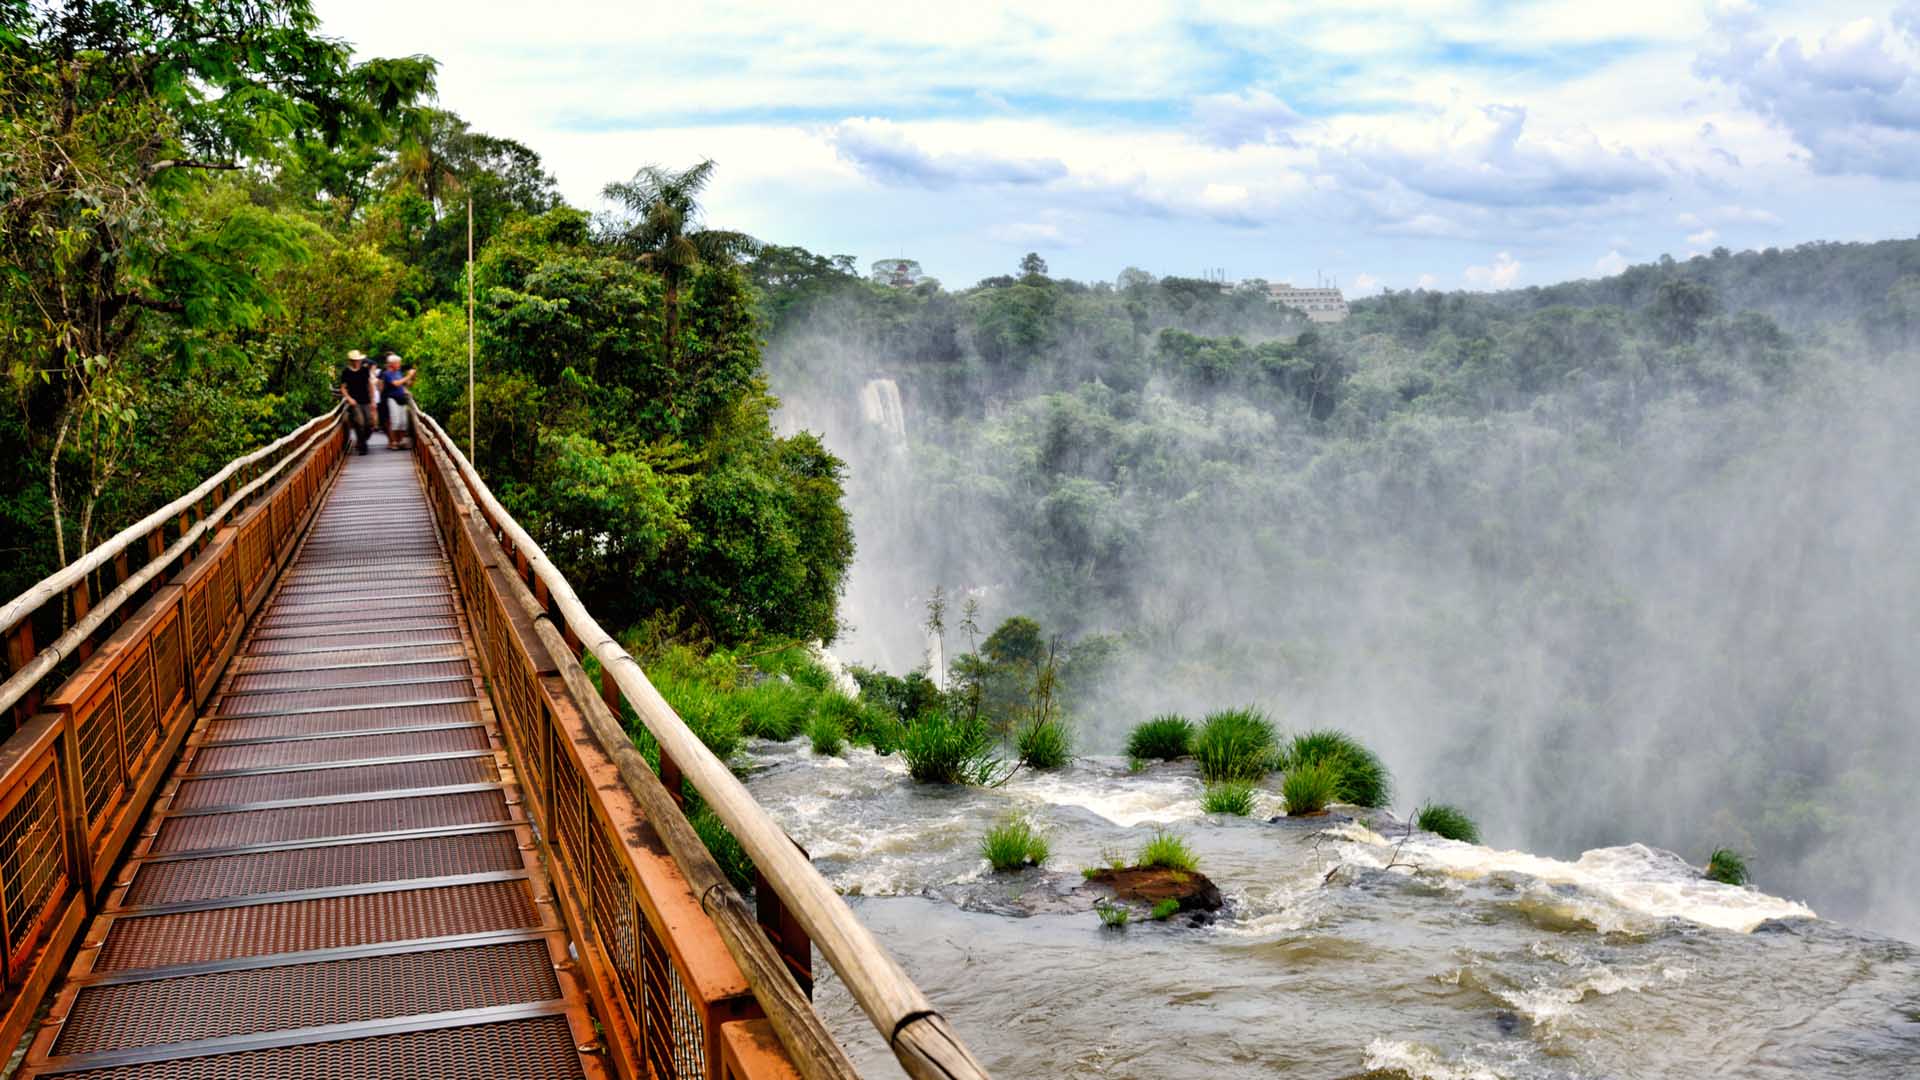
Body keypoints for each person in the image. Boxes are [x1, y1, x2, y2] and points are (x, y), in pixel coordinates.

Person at [338, 349, 375, 454]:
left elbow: (370, 385)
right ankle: (363, 447)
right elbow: (343, 388)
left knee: (369, 423)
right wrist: (349, 399)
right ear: (350, 361)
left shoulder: (364, 370)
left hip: (366, 400)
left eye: (357, 360)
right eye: (354, 360)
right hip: (354, 402)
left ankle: (361, 440)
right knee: (360, 422)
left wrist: (372, 400)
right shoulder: (346, 372)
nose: (356, 362)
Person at [380, 353, 416, 449]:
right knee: (395, 422)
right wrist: (408, 376)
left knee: (403, 423)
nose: (400, 364)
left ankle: (400, 441)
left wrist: (407, 389)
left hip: (402, 399)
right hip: (392, 399)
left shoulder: (398, 372)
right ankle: (394, 442)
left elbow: (402, 385)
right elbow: (395, 383)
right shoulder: (387, 374)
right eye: (398, 363)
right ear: (392, 364)